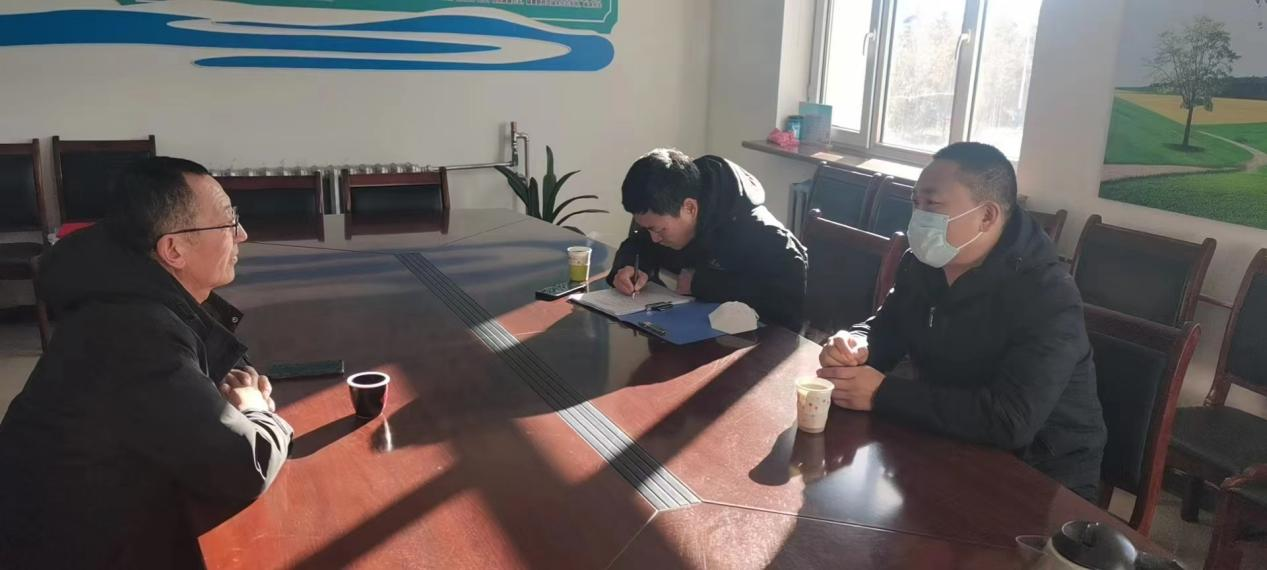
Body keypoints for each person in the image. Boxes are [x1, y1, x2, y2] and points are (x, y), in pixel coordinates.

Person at [0, 157, 293, 569]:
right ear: (173, 249)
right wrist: (258, 411)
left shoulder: (130, 296)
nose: (242, 234)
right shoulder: (133, 332)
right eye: (228, 222)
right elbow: (244, 467)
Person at [816, 142, 1106, 499]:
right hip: (948, 441)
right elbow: (887, 329)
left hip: (1040, 478)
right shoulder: (923, 264)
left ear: (987, 216)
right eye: (916, 203)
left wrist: (883, 393)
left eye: (932, 205)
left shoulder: (1047, 295)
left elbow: (1010, 420)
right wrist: (855, 343)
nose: (919, 216)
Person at [607, 148, 807, 329]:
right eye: (646, 228)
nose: (654, 239)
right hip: (682, 328)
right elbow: (638, 243)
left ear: (690, 208)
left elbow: (786, 304)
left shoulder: (763, 236)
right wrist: (628, 267)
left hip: (747, 345)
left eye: (658, 230)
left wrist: (703, 284)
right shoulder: (667, 205)